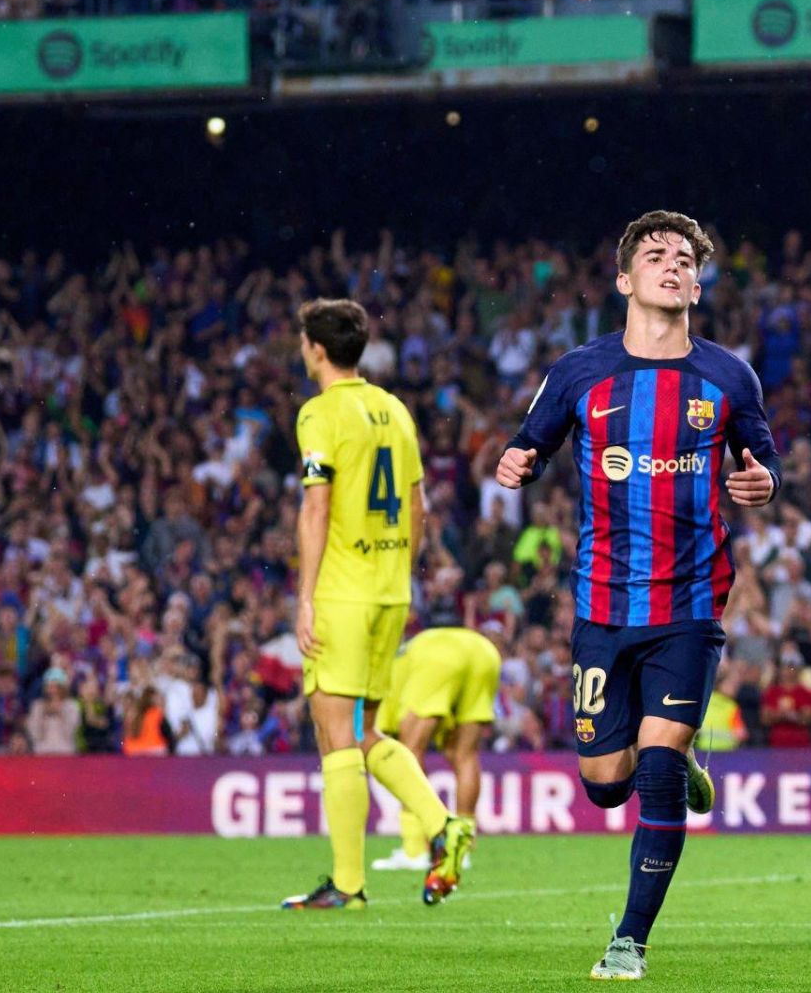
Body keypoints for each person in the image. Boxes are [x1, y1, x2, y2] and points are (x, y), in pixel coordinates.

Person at [496, 210, 781, 981]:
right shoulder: (580, 370)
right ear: (624, 280)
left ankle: (629, 940)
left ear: (697, 281)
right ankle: (675, 765)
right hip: (600, 608)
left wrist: (760, 480)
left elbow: (763, 461)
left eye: (684, 258)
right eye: (654, 255)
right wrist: (515, 462)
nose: (671, 265)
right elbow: (532, 441)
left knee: (651, 773)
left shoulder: (728, 375)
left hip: (689, 607)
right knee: (605, 788)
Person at [282, 298, 468, 912]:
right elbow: (418, 506)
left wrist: (305, 599)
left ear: (315, 348)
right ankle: (443, 826)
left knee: (335, 735)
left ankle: (348, 885)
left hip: (343, 591)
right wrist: (397, 571)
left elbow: (316, 505)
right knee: (365, 731)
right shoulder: (394, 409)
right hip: (389, 590)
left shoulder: (319, 413)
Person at [371, 620, 503, 872]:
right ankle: (461, 848)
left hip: (438, 656)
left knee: (407, 753)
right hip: (484, 652)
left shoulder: (381, 680)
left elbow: (387, 744)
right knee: (464, 755)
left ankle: (414, 850)